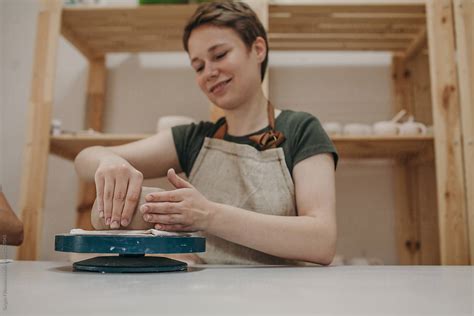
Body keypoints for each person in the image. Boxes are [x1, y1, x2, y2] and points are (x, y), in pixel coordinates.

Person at [75, 0, 338, 265]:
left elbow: (321, 241)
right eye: (198, 66)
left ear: (258, 49)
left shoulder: (301, 129)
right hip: (202, 298)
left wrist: (209, 215)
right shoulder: (194, 139)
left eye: (220, 55)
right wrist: (109, 162)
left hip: (278, 302)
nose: (209, 72)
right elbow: (84, 158)